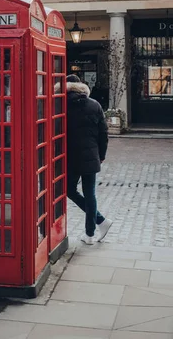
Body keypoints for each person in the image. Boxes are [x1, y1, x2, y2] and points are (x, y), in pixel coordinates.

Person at [66, 74, 113, 244]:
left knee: (69, 190)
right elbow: (103, 134)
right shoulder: (94, 105)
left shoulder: (60, 105)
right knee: (90, 194)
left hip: (69, 156)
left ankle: (100, 222)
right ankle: (91, 233)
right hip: (91, 156)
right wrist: (101, 155)